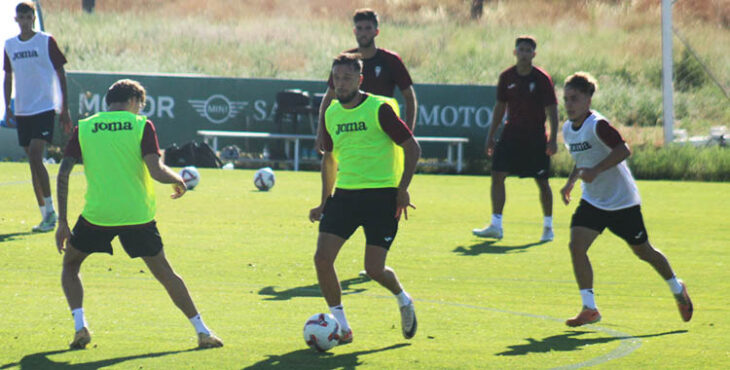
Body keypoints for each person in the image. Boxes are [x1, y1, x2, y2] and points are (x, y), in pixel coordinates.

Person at [54, 79, 223, 349]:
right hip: (137, 215)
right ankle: (202, 331)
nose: (140, 109)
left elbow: (63, 174)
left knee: (71, 265)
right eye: (140, 104)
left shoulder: (84, 127)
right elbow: (156, 171)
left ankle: (80, 327)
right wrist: (177, 179)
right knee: (166, 273)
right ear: (134, 101)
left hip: (98, 215)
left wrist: (62, 221)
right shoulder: (141, 125)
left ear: (110, 101)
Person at [560, 72, 693, 326]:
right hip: (593, 202)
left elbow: (624, 149)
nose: (568, 104)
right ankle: (589, 308)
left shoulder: (597, 124)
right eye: (565, 99)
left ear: (588, 99)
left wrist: (596, 171)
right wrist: (571, 181)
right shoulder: (568, 129)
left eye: (574, 98)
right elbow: (581, 159)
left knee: (644, 252)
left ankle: (677, 288)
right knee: (576, 246)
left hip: (622, 203)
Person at [309, 53, 421, 344]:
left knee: (373, 269)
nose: (341, 83)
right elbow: (330, 160)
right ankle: (343, 327)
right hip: (345, 196)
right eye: (337, 78)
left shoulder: (378, 109)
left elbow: (413, 148)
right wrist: (324, 201)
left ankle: (403, 298)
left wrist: (402, 188)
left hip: (382, 198)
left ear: (360, 80)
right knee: (322, 259)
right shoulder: (331, 113)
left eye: (347, 78)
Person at [472, 35, 559, 242]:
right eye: (521, 49)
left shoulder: (541, 78)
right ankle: (496, 225)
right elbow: (500, 107)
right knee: (497, 174)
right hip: (511, 135)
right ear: (515, 52)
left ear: (534, 54)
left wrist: (553, 138)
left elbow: (552, 109)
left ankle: (548, 227)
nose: (524, 54)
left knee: (542, 181)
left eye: (528, 50)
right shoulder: (507, 77)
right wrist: (491, 135)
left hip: (535, 138)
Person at [3, 1, 72, 232]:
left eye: (27, 16)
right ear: (16, 19)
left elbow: (60, 71)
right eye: (20, 17)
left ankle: (52, 211)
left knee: (35, 155)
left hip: (44, 107)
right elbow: (8, 77)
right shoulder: (10, 45)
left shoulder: (45, 41)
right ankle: (45, 214)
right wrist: (8, 107)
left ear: (33, 18)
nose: (24, 21)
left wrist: (64, 108)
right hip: (23, 109)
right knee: (33, 163)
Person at [315, 8, 417, 152]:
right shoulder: (345, 60)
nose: (364, 32)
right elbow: (328, 98)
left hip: (382, 130)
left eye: (368, 28)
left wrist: (408, 131)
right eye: (360, 28)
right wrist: (321, 133)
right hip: (351, 129)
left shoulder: (390, 60)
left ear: (377, 31)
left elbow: (409, 97)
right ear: (354, 31)